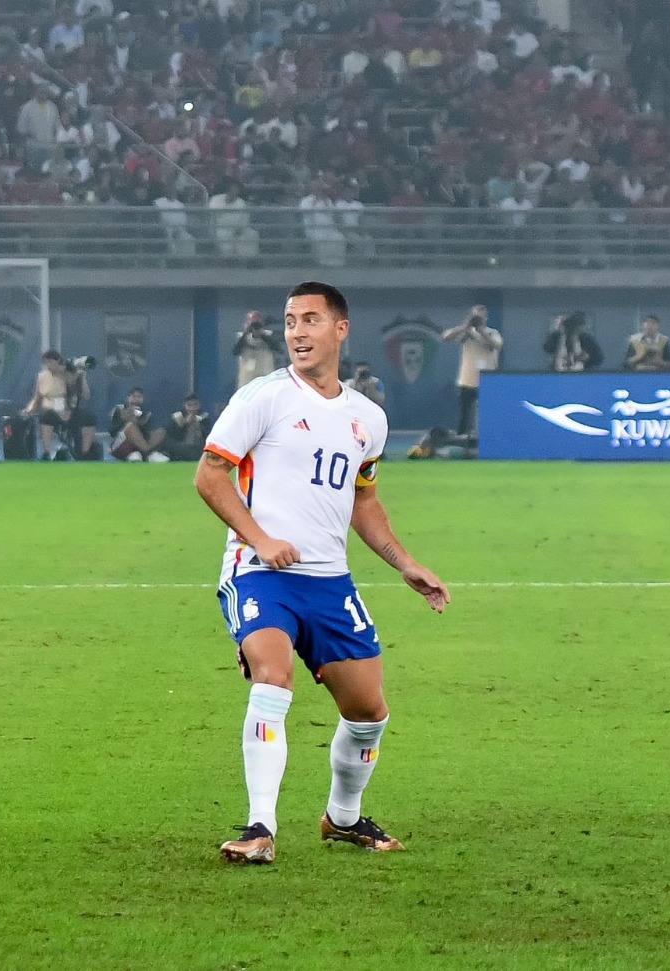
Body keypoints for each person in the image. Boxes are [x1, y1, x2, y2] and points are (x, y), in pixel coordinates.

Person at [195, 281, 451, 866]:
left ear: (340, 329)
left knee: (368, 712)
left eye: (310, 320)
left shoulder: (368, 419)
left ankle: (343, 818)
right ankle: (260, 827)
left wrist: (405, 562)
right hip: (259, 573)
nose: (297, 332)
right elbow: (209, 476)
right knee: (273, 678)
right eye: (290, 322)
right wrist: (261, 540)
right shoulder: (263, 397)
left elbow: (364, 501)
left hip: (330, 583)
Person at [25, 350, 97, 460]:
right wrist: (28, 410)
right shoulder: (42, 376)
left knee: (89, 417)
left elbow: (86, 396)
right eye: (46, 363)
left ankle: (85, 453)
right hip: (52, 410)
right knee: (47, 417)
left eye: (50, 362)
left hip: (70, 410)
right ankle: (46, 453)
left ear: (58, 361)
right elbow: (37, 398)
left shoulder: (70, 375)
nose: (48, 365)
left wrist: (82, 377)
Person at [441, 306, 502, 434]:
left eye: (481, 317)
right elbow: (446, 337)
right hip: (467, 380)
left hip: (486, 379)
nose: (478, 319)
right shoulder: (466, 333)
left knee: (488, 413)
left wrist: (481, 331)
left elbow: (497, 345)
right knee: (465, 414)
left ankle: (488, 435)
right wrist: (466, 326)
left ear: (486, 318)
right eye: (476, 316)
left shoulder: (492, 332)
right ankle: (462, 437)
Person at [109, 386, 169, 462]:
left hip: (140, 443)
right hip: (122, 443)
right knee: (131, 427)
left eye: (139, 396)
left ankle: (148, 453)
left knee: (161, 431)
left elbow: (147, 434)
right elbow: (112, 432)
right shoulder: (119, 409)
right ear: (128, 398)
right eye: (134, 396)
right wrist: (126, 419)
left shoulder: (146, 414)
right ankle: (149, 454)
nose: (136, 399)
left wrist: (139, 422)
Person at [233, 311, 280, 388]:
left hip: (265, 375)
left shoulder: (268, 336)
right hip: (247, 379)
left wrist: (262, 334)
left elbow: (277, 348)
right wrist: (246, 332)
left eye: (257, 323)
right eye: (253, 324)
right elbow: (235, 351)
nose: (255, 326)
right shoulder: (242, 338)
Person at [163, 392, 209, 461]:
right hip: (182, 445)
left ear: (199, 405)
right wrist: (185, 423)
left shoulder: (204, 416)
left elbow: (206, 434)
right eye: (189, 405)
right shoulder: (178, 416)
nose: (193, 408)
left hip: (198, 446)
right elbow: (174, 435)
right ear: (185, 406)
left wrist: (198, 424)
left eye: (195, 404)